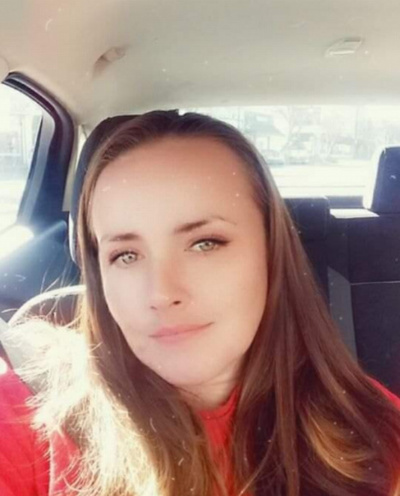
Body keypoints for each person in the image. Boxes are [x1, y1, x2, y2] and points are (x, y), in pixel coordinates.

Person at [0, 110, 400, 496]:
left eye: (205, 243)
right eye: (126, 255)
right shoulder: (28, 417)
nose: (160, 293)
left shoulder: (373, 432)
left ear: (271, 252)